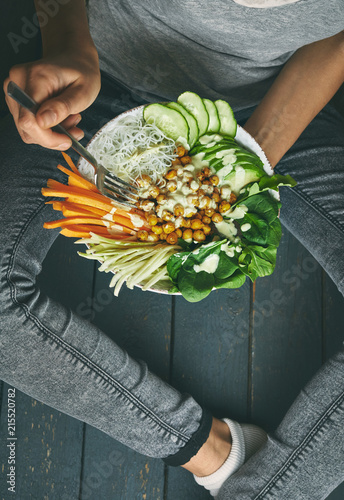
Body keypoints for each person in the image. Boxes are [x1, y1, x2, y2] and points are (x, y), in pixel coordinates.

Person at [1, 0, 344, 498]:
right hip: (92, 83)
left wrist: (245, 156)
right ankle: (213, 451)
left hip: (274, 105)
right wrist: (67, 41)